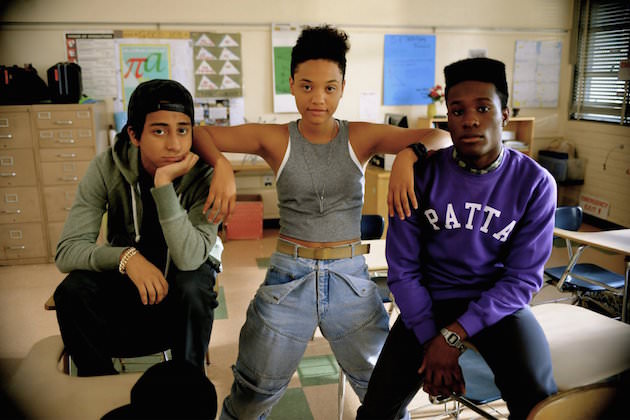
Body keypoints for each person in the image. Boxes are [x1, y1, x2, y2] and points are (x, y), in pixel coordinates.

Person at [192, 25, 451, 419]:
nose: (318, 98)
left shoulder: (359, 136)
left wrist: (408, 156)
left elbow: (440, 138)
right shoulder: (274, 138)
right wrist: (222, 163)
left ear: (343, 87)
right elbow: (199, 133)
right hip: (287, 281)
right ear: (292, 84)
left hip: (350, 281)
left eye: (330, 88)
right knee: (252, 394)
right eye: (308, 86)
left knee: (385, 394)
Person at [357, 57, 558, 420]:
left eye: (483, 108)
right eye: (457, 110)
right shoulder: (419, 177)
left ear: (505, 114)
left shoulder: (535, 183)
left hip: (497, 307)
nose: (470, 120)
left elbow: (523, 279)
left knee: (539, 403)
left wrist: (451, 338)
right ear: (446, 119)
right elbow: (403, 270)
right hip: (428, 304)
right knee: (376, 410)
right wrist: (430, 336)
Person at [53, 79, 223, 377]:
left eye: (182, 130)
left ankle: (187, 387)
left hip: (180, 300)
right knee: (71, 291)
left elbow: (188, 258)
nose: (174, 144)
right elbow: (67, 251)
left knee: (194, 284)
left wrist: (163, 184)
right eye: (159, 131)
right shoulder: (106, 166)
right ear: (134, 134)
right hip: (128, 288)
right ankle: (102, 385)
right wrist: (125, 258)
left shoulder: (204, 176)